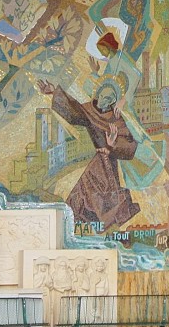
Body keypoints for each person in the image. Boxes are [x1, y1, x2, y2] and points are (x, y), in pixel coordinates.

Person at [37, 79, 140, 228]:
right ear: (98, 94)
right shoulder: (88, 110)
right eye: (104, 96)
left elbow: (130, 145)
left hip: (107, 163)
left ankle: (104, 226)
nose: (105, 100)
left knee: (104, 200)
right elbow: (73, 110)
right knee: (82, 195)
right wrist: (54, 92)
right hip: (94, 161)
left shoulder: (116, 119)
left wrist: (113, 145)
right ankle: (77, 224)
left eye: (110, 99)